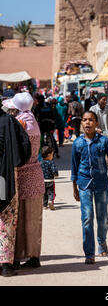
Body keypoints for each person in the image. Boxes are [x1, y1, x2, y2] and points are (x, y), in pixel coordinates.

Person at [71, 111, 108, 264]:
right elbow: (74, 167)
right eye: (84, 120)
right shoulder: (77, 143)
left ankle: (101, 241)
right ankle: (89, 253)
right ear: (81, 124)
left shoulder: (104, 141)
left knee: (102, 219)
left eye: (91, 120)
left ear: (96, 123)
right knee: (87, 218)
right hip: (84, 185)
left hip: (101, 184)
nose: (87, 123)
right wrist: (74, 188)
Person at [4, 93, 45, 270]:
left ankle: (16, 257)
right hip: (36, 175)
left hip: (21, 176)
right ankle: (34, 256)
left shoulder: (19, 123)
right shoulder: (33, 121)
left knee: (18, 220)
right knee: (34, 220)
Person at [0, 105, 31, 277]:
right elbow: (25, 145)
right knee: (7, 219)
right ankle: (5, 265)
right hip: (4, 177)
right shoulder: (9, 121)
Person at [40, 146, 59, 210]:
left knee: (44, 193)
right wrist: (56, 174)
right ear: (49, 155)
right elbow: (54, 170)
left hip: (42, 181)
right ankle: (50, 201)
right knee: (51, 192)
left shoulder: (41, 162)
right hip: (50, 180)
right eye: (52, 155)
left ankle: (44, 205)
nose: (52, 156)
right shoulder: (51, 162)